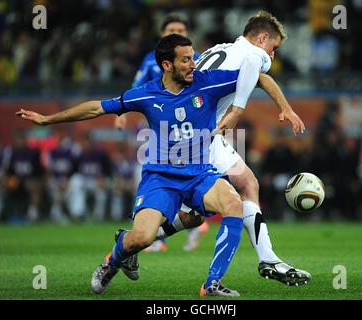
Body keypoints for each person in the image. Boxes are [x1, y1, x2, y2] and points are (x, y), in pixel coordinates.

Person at [16, 34, 263, 297]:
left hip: (200, 173)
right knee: (143, 238)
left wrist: (269, 108)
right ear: (167, 65)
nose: (194, 64)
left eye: (194, 58)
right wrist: (47, 120)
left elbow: (257, 75)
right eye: (186, 59)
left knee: (233, 204)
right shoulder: (146, 94)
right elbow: (96, 109)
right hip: (161, 177)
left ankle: (212, 284)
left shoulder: (208, 82)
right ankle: (114, 258)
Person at [130, 10, 311, 287]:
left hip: (190, 134)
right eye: (273, 48)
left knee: (200, 214)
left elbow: (260, 78)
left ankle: (134, 243)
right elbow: (255, 63)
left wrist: (285, 108)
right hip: (204, 136)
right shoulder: (253, 53)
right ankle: (267, 260)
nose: (271, 57)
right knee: (243, 188)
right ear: (262, 38)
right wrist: (238, 108)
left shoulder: (221, 49)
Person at [117, 13, 206, 252]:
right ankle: (173, 228)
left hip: (194, 133)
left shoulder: (198, 61)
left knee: (188, 178)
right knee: (158, 178)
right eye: (169, 30)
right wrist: (123, 113)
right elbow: (134, 91)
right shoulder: (150, 60)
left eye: (179, 30)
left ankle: (171, 230)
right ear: (161, 35)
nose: (174, 33)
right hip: (160, 130)